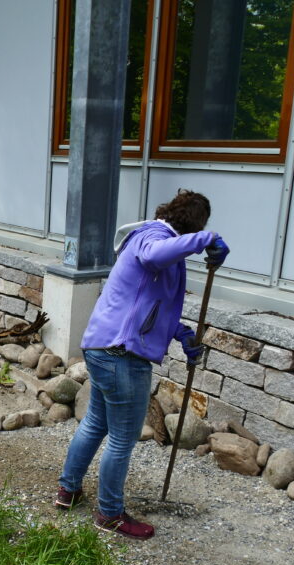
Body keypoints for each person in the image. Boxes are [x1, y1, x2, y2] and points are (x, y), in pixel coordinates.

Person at [54, 189, 229, 539]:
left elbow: (146, 303)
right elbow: (153, 256)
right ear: (196, 223)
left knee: (95, 424)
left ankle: (68, 491)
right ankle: (110, 514)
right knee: (122, 438)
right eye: (203, 226)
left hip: (103, 347)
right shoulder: (153, 238)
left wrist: (180, 333)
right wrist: (206, 240)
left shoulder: (150, 239)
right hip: (123, 354)